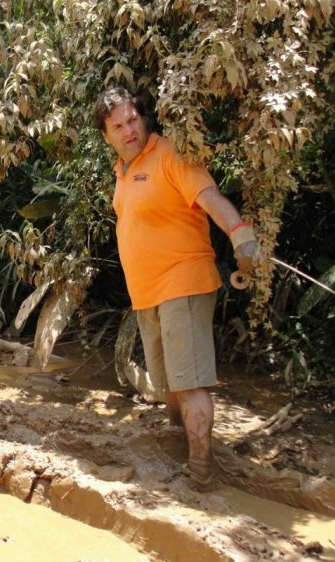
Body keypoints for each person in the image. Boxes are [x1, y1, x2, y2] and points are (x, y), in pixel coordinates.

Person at [91, 87, 262, 491]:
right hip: (147, 294)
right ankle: (178, 452)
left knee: (188, 385)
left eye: (132, 119)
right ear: (107, 136)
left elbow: (211, 197)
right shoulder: (123, 171)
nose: (128, 130)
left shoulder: (170, 154)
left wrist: (240, 234)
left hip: (182, 282)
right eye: (118, 126)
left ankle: (201, 473)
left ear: (143, 118)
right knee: (170, 387)